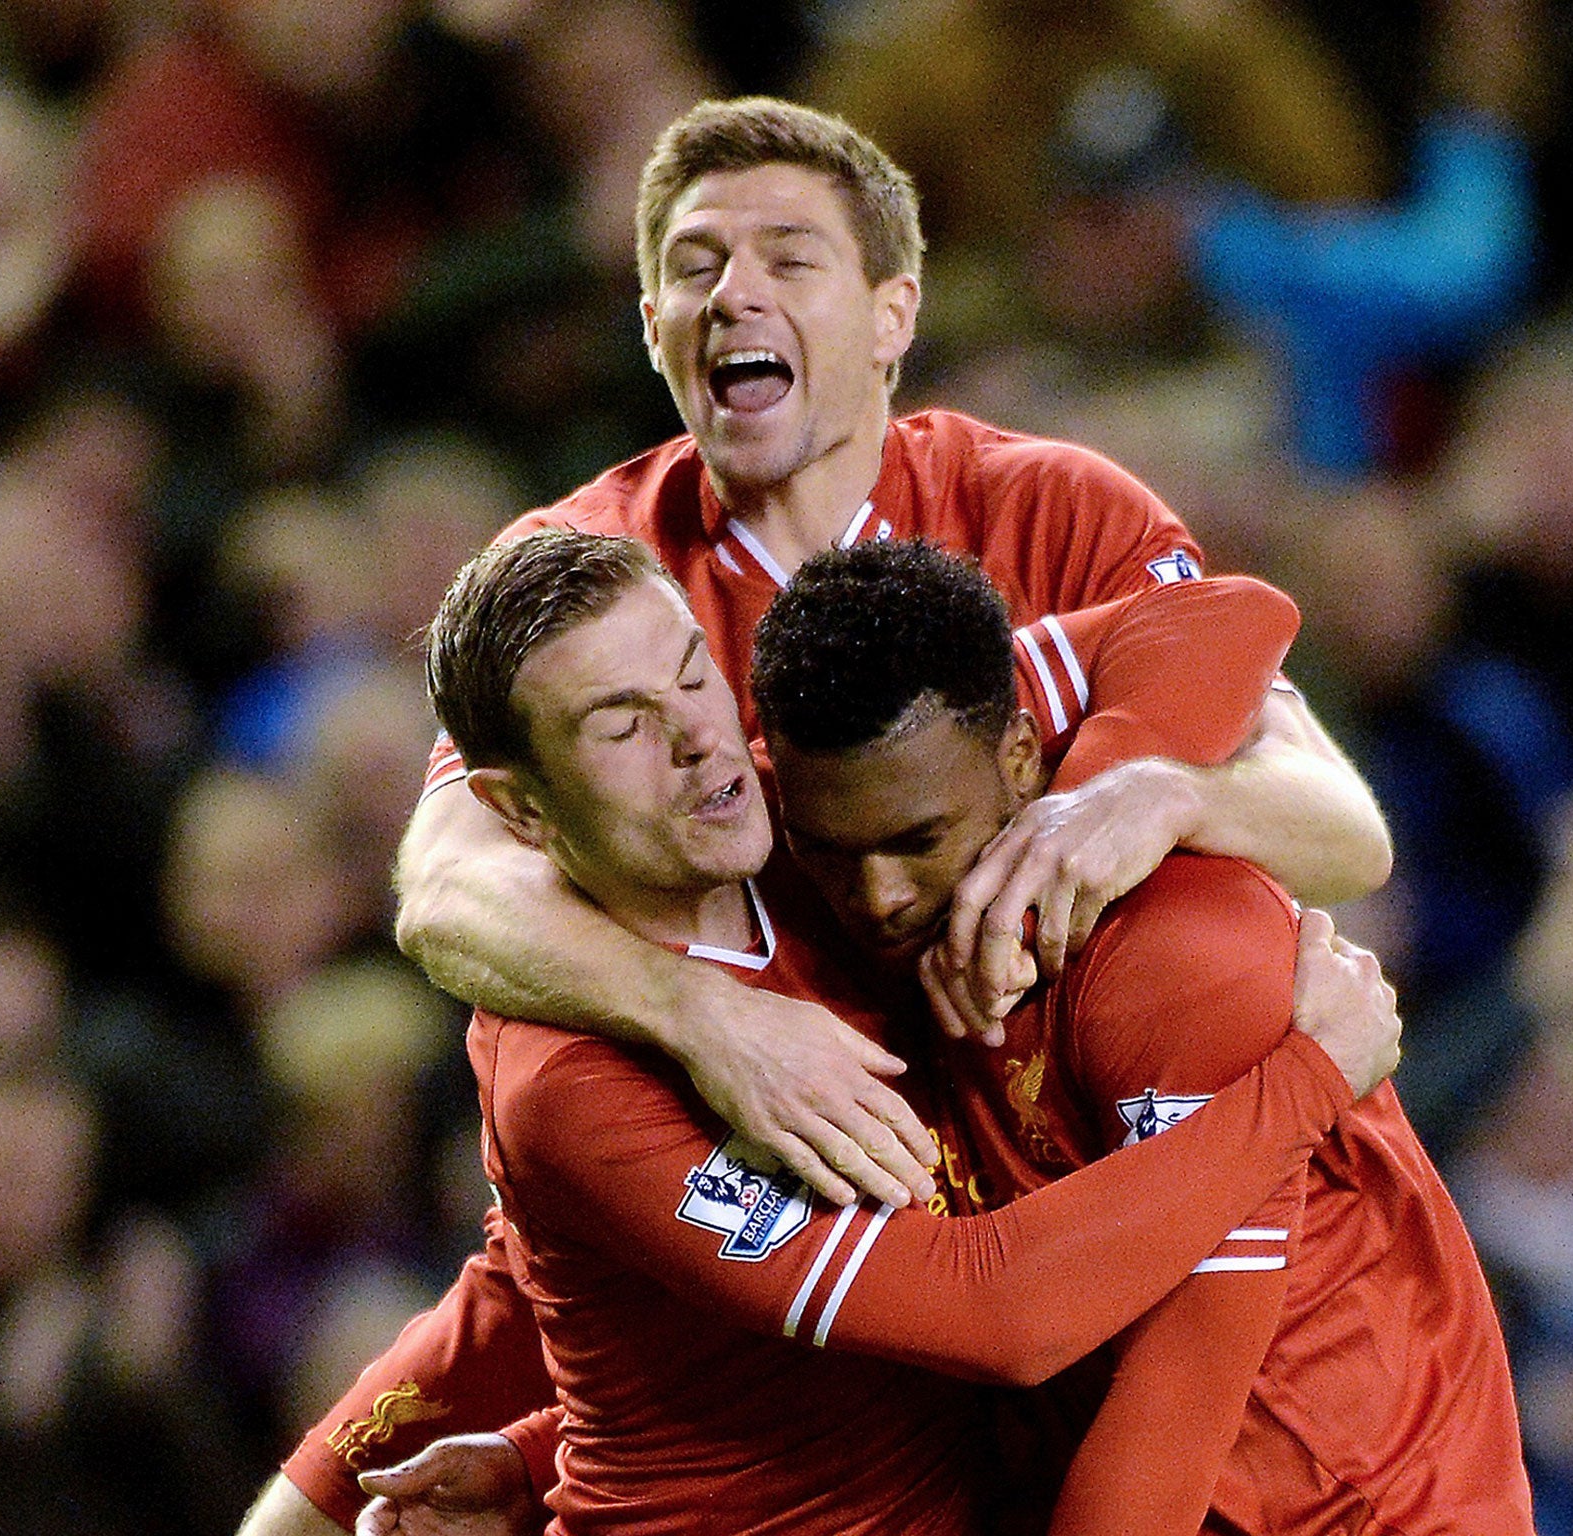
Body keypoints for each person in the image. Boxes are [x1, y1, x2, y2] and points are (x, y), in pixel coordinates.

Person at [248, 94, 1392, 1534]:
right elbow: (444, 891)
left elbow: (1343, 827)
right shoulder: (593, 578)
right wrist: (704, 1022)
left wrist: (1159, 795)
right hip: (868, 1214)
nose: (736, 292)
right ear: (651, 321)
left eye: (788, 256)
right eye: (695, 262)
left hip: (1086, 1165)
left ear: (892, 309)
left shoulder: (1047, 513)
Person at [344, 528, 1398, 1536]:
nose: (695, 738)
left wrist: (1091, 817)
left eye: (690, 674)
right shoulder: (573, 1089)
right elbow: (1001, 1314)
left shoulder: (814, 817)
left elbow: (1223, 616)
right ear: (520, 812)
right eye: (621, 726)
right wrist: (1302, 1083)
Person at [747, 540, 1532, 1535]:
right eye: (830, 851)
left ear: (1021, 757)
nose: (878, 897)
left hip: (1353, 1508)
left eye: (917, 841)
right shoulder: (817, 799)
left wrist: (1124, 796)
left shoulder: (1181, 960)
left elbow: (1181, 1396)